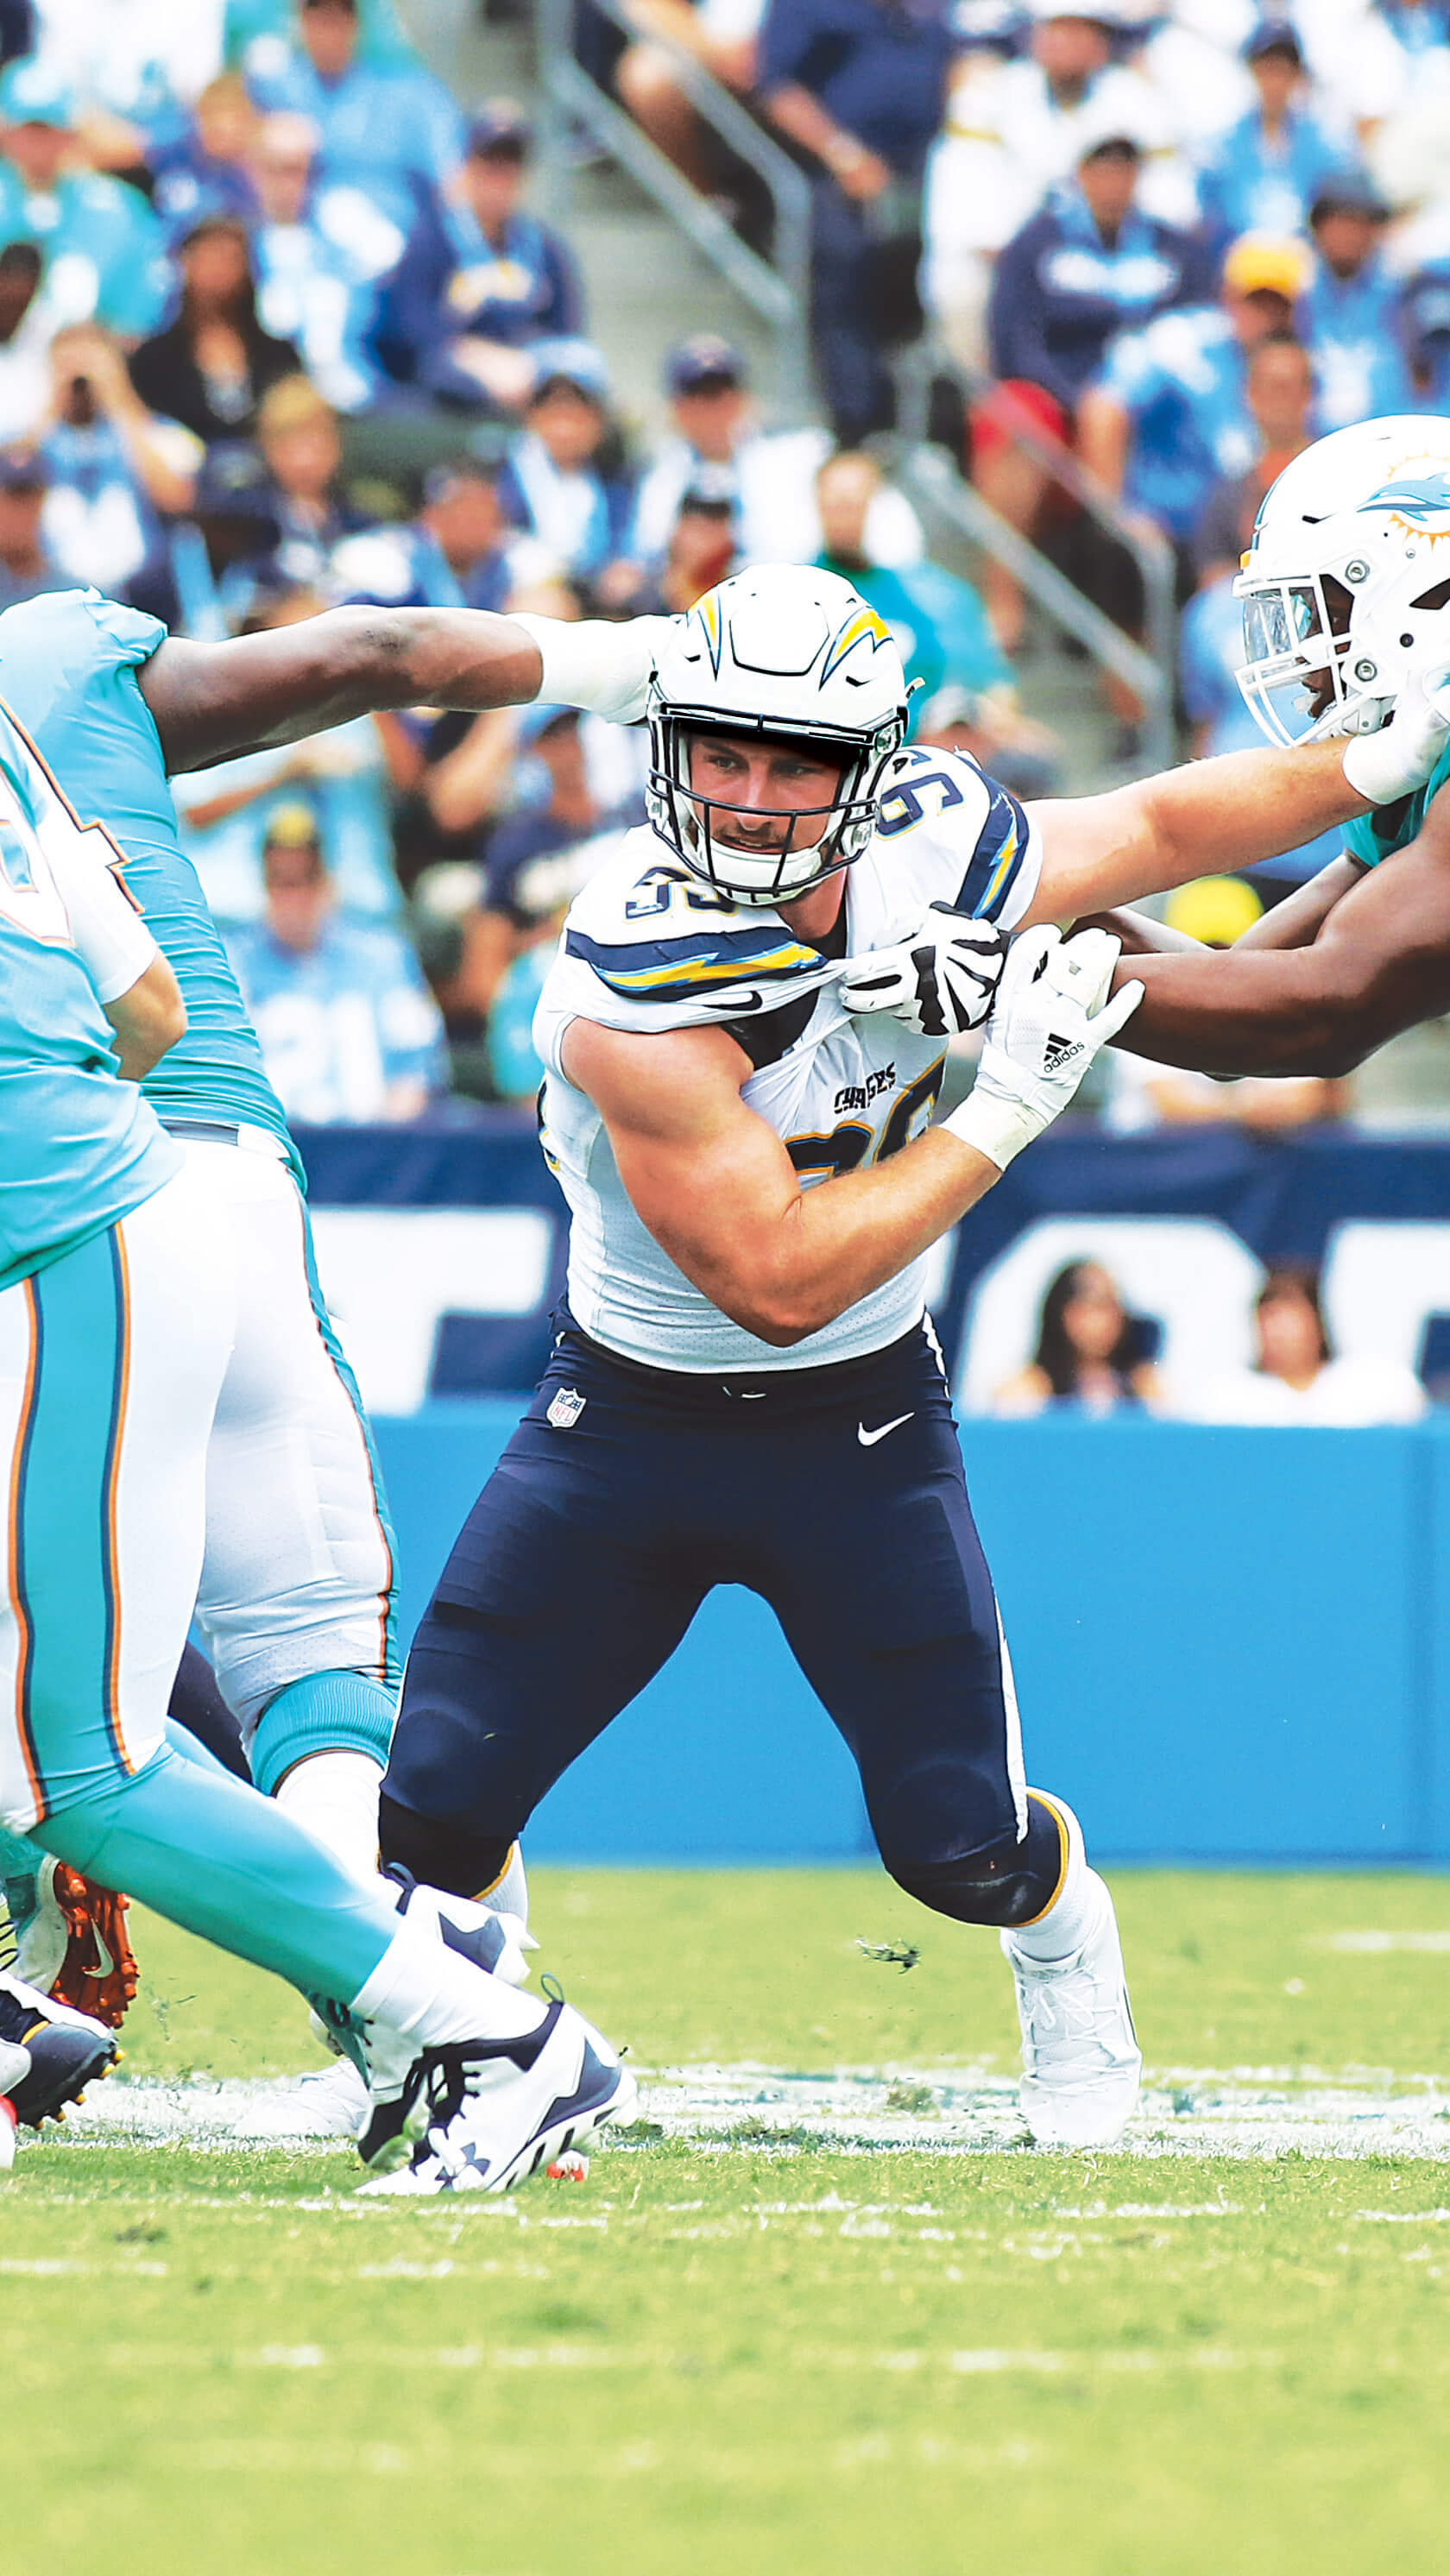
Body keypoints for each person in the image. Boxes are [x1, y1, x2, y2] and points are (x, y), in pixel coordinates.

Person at [371, 558, 1450, 2153]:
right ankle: (477, 2018)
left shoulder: (937, 836)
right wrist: (1007, 1097)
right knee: (430, 1810)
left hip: (856, 1426)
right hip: (627, 1419)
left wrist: (1373, 763)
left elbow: (1158, 824)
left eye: (793, 760)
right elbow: (777, 1280)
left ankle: (1067, 1951)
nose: (749, 797)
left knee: (959, 1846)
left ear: (870, 773)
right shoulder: (627, 968)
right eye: (721, 752)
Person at [0, 576, 669, 2175]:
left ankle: (447, 2005)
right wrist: (643, 662)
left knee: (80, 1747)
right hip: (197, 1168)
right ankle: (403, 1983)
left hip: (69, 1216)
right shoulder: (39, 688)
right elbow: (150, 1000)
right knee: (288, 1653)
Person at [1085, 414, 1450, 1094]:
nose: (1307, 657)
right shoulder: (1422, 764)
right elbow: (1235, 998)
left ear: (1424, 597)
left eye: (1324, 613)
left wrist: (1023, 977)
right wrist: (1035, 914)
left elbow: (1327, 1010)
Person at [975, 117, 1211, 651]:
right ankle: (1005, 604)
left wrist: (1121, 401)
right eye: (1102, 169)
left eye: (1124, 169)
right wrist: (1077, 400)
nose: (1113, 181)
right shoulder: (1038, 243)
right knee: (1014, 415)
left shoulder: (1174, 250)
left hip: (1148, 414)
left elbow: (1197, 333)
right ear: (1081, 175)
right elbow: (1012, 341)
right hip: (1060, 410)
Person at [759, 0, 957, 440]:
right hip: (839, 170)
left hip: (931, 166)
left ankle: (942, 421)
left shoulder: (929, 11)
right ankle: (858, 422)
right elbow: (778, 88)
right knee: (844, 260)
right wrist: (841, 152)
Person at [629, 332, 924, 574]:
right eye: (697, 396)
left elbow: (880, 510)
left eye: (721, 394)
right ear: (676, 408)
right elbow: (647, 557)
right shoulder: (658, 475)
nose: (712, 409)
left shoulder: (799, 455)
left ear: (745, 399)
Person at [226, 803, 445, 1121]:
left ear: (326, 883)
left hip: (374, 1142)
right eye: (281, 882)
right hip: (269, 1141)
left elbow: (415, 1074)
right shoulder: (232, 963)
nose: (294, 899)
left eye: (305, 879)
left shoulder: (384, 957)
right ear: (264, 887)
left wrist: (382, 1141)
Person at [407, 102, 585, 417]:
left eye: (511, 166)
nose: (500, 179)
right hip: (456, 380)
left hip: (530, 374)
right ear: (467, 167)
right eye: (490, 164)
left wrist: (528, 364)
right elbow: (412, 328)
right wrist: (477, 356)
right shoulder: (433, 239)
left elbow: (566, 330)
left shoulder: (543, 248)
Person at [243, 0, 465, 244]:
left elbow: (452, 179)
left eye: (338, 18)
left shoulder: (409, 94)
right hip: (302, 240)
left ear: (355, 25)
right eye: (320, 18)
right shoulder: (276, 88)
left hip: (397, 242)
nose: (329, 31)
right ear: (302, 22)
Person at [128, 212, 299, 448]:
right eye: (208, 258)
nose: (219, 272)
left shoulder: (279, 356)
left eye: (230, 259)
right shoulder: (154, 361)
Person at [1182, 1268, 1427, 1427]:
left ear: (1317, 1324)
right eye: (1268, 1322)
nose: (1277, 1334)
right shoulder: (1226, 1394)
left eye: (1288, 1322)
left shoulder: (1373, 1381)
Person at [495, 342, 637, 599]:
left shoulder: (618, 480)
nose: (565, 427)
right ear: (532, 416)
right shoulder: (499, 475)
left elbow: (628, 551)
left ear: (598, 419)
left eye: (577, 412)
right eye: (554, 411)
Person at [1195, 22, 1348, 254]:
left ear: (1296, 75)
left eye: (1282, 71)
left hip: (1305, 259)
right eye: (1267, 70)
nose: (1274, 83)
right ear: (1253, 71)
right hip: (1239, 260)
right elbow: (1212, 217)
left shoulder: (1324, 145)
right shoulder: (1222, 146)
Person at [1300, 173, 1415, 432]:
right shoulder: (1295, 292)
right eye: (1339, 221)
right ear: (1318, 226)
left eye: (1360, 223)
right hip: (1310, 441)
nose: (1349, 234)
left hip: (1389, 435)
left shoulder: (1403, 294)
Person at [993, 1258, 1162, 1415]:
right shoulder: (1030, 1388)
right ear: (1063, 1313)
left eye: (1114, 1305)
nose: (1108, 1318)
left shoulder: (1142, 1386)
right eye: (1095, 1305)